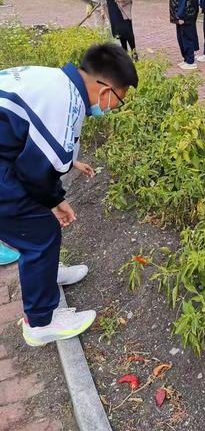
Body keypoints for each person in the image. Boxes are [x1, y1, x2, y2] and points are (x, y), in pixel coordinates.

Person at [0, 43, 138, 346]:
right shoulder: (67, 101)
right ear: (105, 88)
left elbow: (32, 135)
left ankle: (45, 275)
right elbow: (37, 174)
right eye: (119, 100)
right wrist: (55, 201)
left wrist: (57, 185)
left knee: (39, 225)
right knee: (39, 233)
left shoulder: (58, 82)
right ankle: (40, 321)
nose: (113, 108)